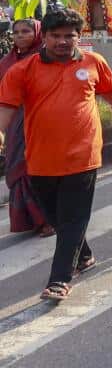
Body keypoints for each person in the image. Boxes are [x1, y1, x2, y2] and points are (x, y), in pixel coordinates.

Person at [0, 10, 112, 301]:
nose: (62, 41)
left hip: (83, 155)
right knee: (56, 216)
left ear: (78, 37)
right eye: (55, 36)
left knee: (72, 218)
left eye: (69, 36)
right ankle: (83, 255)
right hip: (40, 159)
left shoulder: (93, 61)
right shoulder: (22, 70)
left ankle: (59, 279)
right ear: (44, 37)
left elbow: (110, 91)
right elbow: (6, 108)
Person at [0, 18, 50, 235]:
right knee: (19, 167)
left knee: (40, 166)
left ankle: (48, 218)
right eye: (16, 32)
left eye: (26, 31)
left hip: (41, 118)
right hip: (14, 120)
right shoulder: (7, 62)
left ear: (37, 33)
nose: (20, 36)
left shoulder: (46, 57)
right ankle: (32, 219)